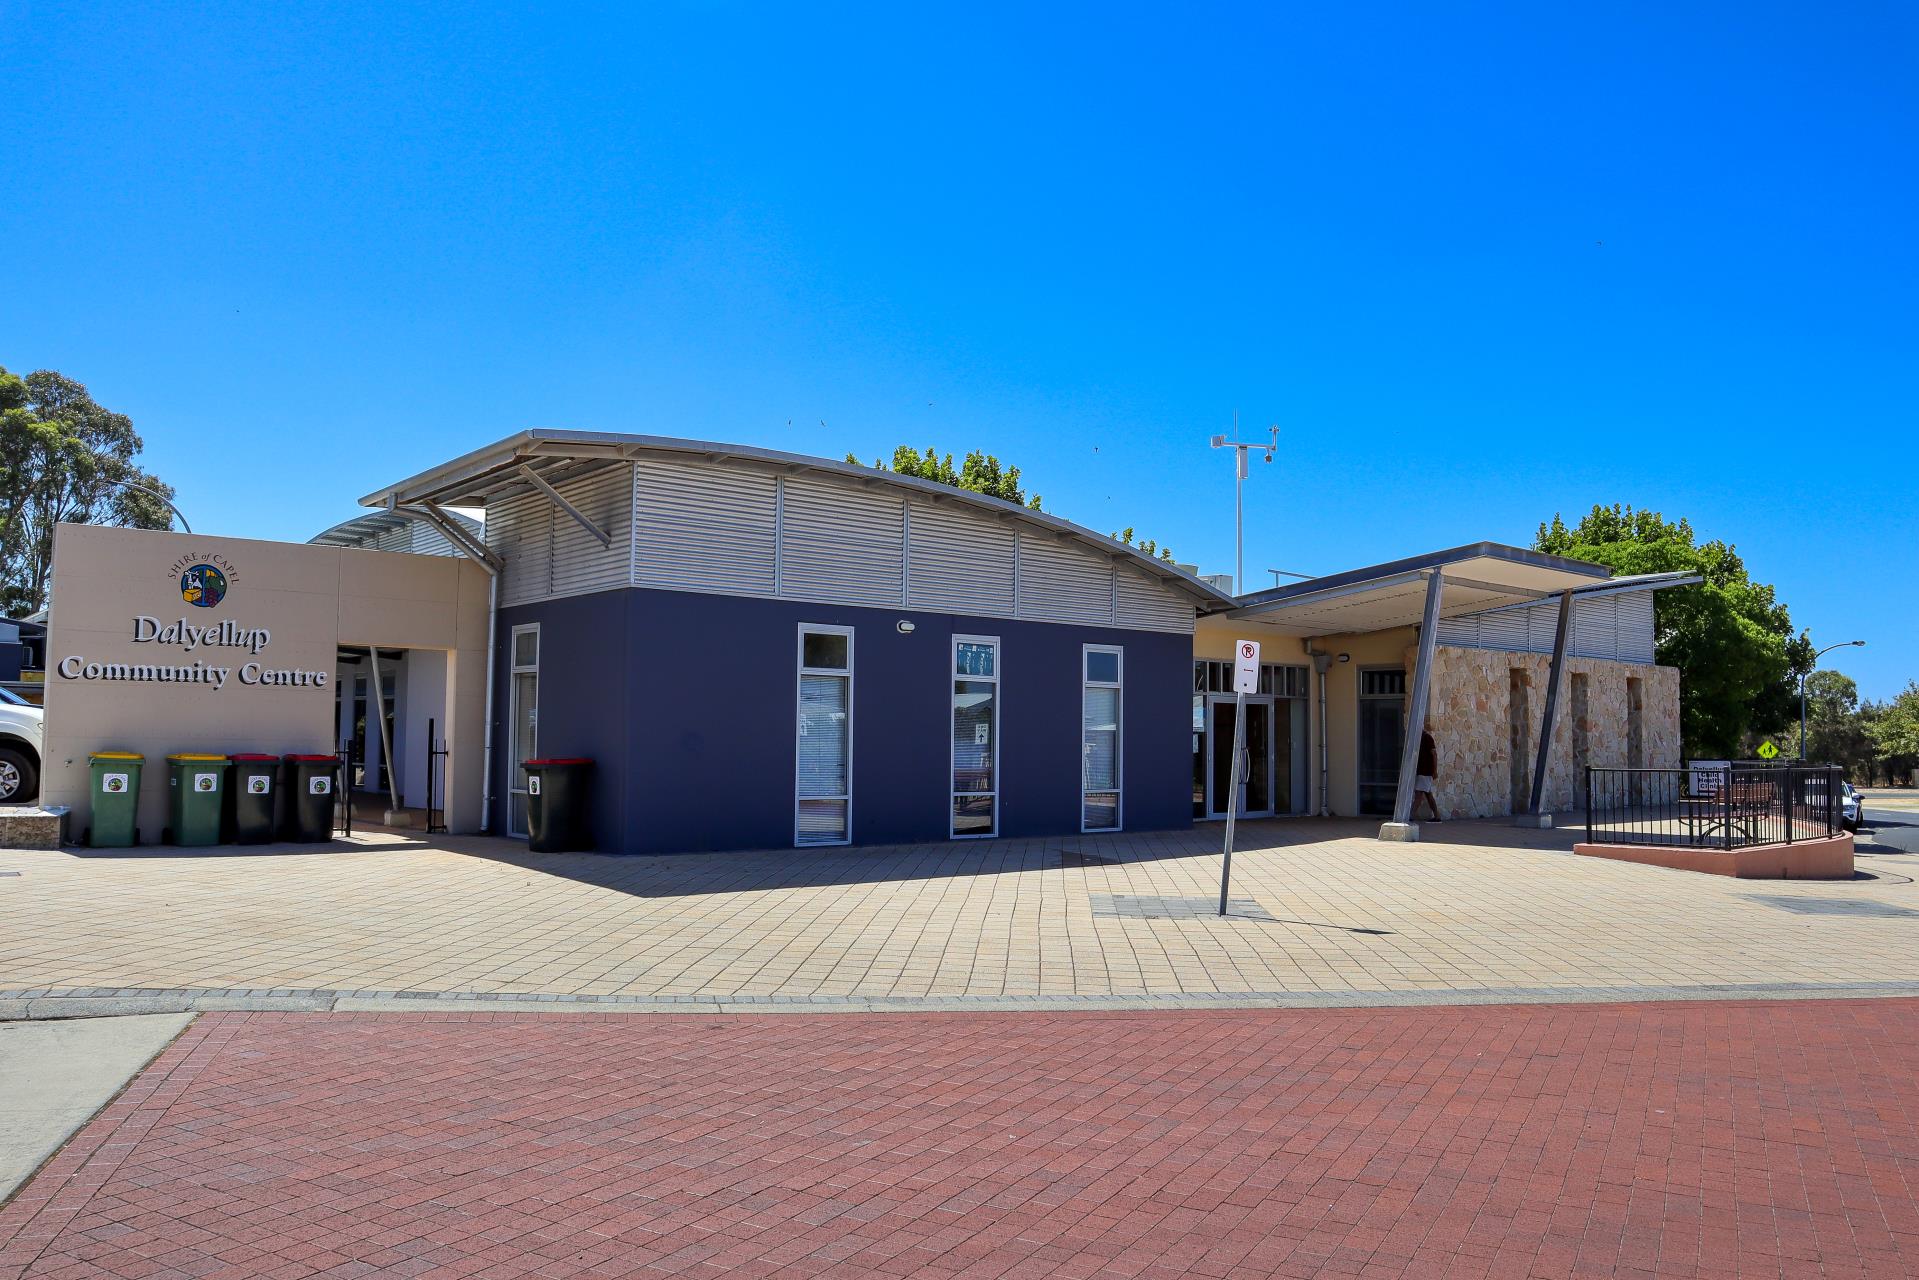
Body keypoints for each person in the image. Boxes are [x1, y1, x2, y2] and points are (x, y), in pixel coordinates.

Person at [1413, 721, 1442, 822]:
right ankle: (1437, 816)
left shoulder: (1427, 738)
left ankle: (1410, 816)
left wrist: (1434, 771)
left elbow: (1434, 754)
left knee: (1418, 794)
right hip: (1421, 771)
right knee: (1428, 794)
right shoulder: (1418, 739)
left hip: (1425, 772)